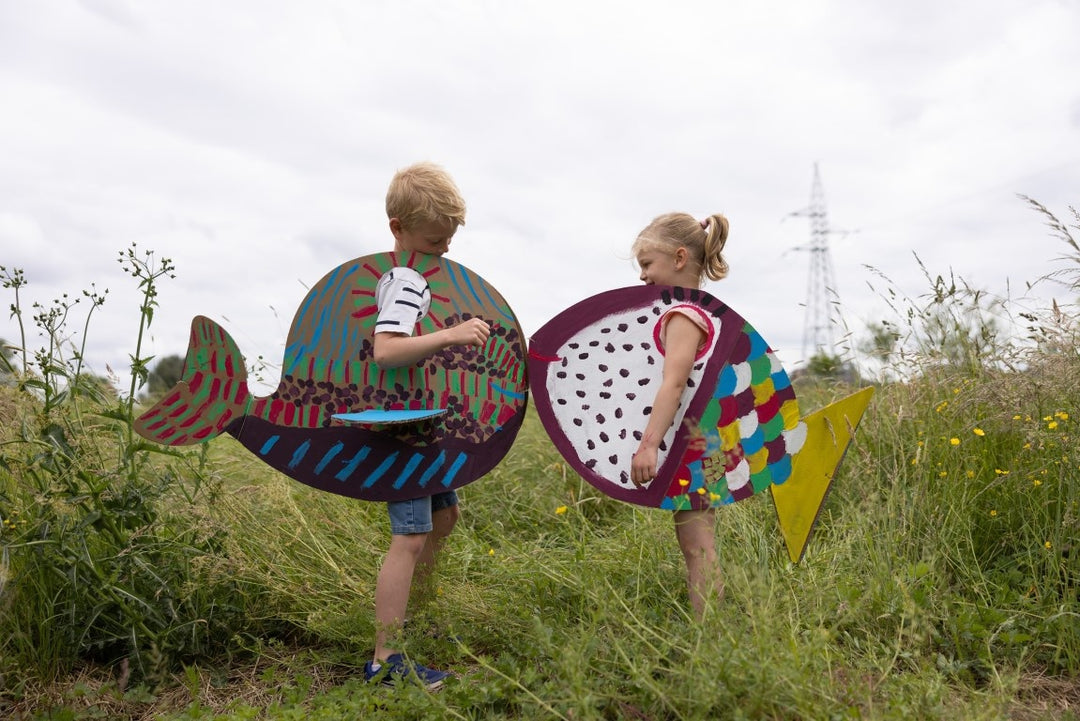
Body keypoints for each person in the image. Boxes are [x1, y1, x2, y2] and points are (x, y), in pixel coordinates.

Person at [363, 162, 491, 690]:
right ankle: (385, 659)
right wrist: (449, 336)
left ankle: (411, 617)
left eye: (448, 240)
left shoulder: (412, 277)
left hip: (422, 424)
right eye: (436, 239)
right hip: (404, 427)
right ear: (398, 228)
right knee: (409, 536)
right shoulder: (408, 281)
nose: (444, 249)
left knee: (445, 518)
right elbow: (386, 350)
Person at [629, 211, 730, 620]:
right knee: (699, 538)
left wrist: (649, 444)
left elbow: (673, 384)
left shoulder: (682, 316)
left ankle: (709, 640)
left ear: (680, 257)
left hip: (695, 445)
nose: (642, 277)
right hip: (711, 442)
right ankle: (712, 633)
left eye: (647, 265)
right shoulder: (704, 312)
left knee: (696, 543)